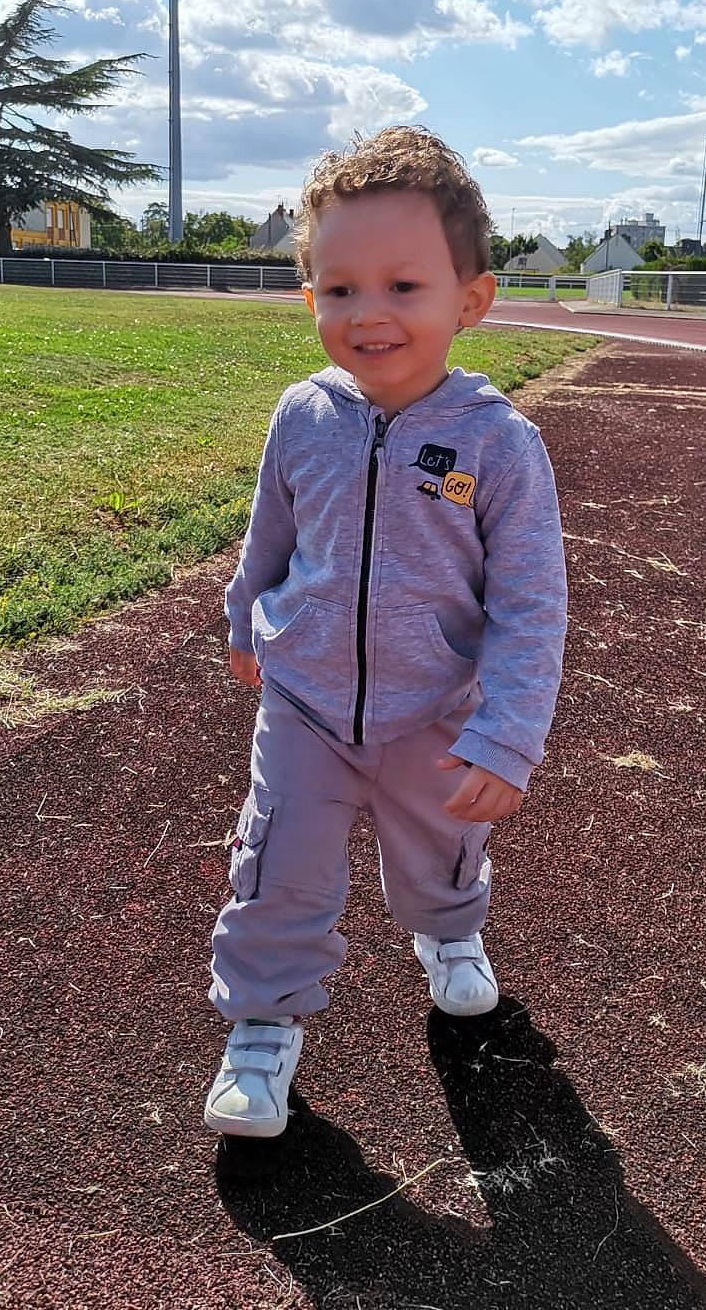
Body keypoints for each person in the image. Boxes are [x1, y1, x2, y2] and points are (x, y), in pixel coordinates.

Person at [205, 126, 568, 1137]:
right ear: (309, 298)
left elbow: (531, 603)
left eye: (404, 286)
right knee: (277, 863)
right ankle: (262, 1023)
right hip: (306, 701)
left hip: (435, 710)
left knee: (439, 850)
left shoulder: (500, 443)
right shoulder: (302, 415)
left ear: (471, 300)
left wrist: (507, 736)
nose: (368, 313)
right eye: (340, 289)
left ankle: (449, 933)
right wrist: (246, 617)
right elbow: (270, 534)